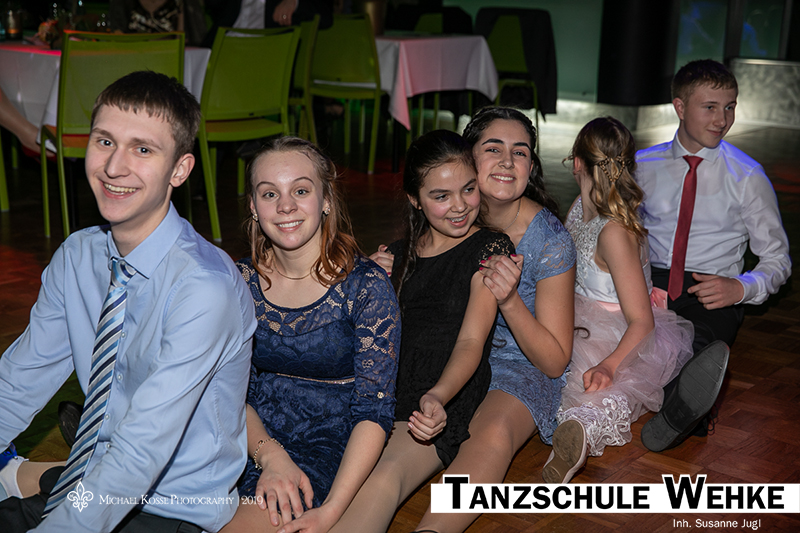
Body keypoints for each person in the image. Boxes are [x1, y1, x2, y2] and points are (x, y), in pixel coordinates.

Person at [0, 71, 256, 532]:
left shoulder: (204, 288)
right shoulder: (78, 257)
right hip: (89, 481)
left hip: (170, 508)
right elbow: (18, 383)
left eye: (142, 149)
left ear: (180, 170)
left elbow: (141, 452)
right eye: (104, 142)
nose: (114, 167)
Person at [401, 107, 576, 533]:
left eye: (521, 152)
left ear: (531, 166)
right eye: (493, 148)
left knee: (492, 431)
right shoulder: (449, 211)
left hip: (517, 364)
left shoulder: (550, 240)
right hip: (448, 351)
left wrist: (510, 300)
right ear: (467, 157)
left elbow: (555, 361)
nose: (507, 161)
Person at [330, 130, 514, 533]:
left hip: (438, 394)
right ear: (415, 198)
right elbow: (360, 340)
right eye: (441, 196)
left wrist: (439, 395)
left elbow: (471, 341)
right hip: (380, 389)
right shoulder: (396, 256)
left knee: (381, 479)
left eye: (468, 189)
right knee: (330, 477)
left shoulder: (489, 248)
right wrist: (367, 286)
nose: (459, 206)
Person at [220, 137, 400, 533]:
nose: (285, 206)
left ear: (326, 200)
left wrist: (331, 510)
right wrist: (270, 456)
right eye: (270, 193)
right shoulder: (238, 282)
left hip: (328, 443)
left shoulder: (365, 287)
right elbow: (227, 392)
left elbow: (374, 412)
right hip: (246, 434)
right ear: (253, 207)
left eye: (300, 191)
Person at [637, 59, 791, 451]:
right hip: (647, 280)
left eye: (730, 107)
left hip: (711, 289)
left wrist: (740, 288)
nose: (722, 120)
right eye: (710, 107)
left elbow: (777, 260)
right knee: (621, 340)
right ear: (679, 106)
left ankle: (682, 405)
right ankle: (682, 409)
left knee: (699, 345)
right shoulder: (641, 167)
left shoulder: (747, 176)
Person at [546, 117, 694, 484]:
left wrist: (610, 365)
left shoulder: (614, 231)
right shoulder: (579, 208)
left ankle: (580, 431)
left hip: (618, 332)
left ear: (576, 162)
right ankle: (570, 428)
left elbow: (641, 321)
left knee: (594, 389)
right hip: (575, 315)